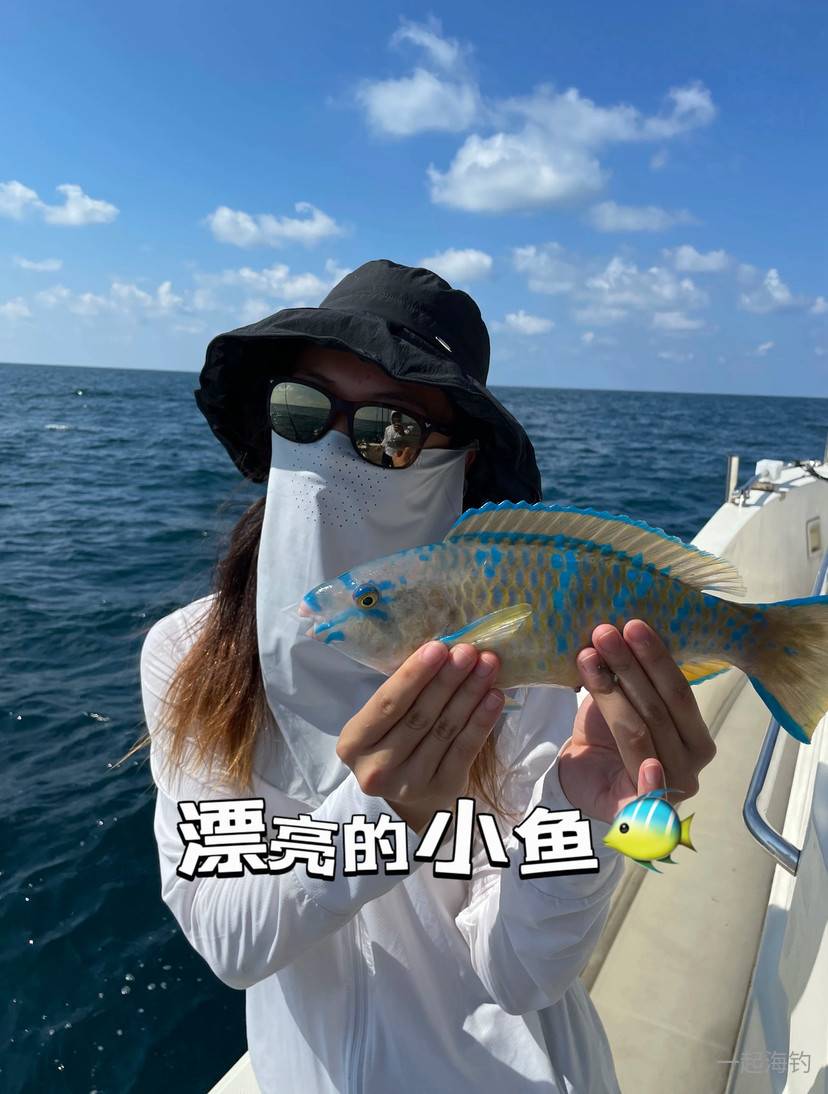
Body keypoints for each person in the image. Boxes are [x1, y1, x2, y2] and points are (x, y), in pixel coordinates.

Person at [141, 259, 716, 1093]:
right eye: (301, 409)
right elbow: (228, 939)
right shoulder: (186, 651)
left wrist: (590, 816)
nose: (335, 450)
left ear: (459, 464)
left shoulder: (526, 654)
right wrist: (380, 816)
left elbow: (523, 975)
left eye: (392, 431)